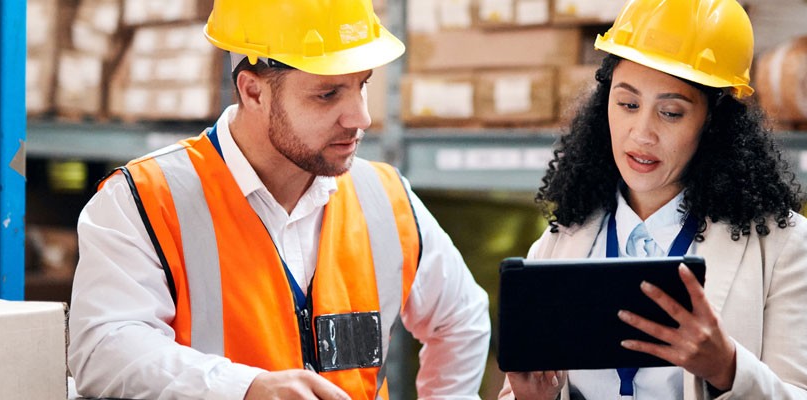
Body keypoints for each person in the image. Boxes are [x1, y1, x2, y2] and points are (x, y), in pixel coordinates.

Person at [66, 1, 491, 399]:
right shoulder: (144, 198)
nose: (360, 117)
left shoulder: (385, 197)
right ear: (253, 92)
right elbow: (103, 348)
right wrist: (247, 389)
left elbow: (462, 317)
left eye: (362, 86)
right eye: (327, 94)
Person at [499, 0, 807, 398]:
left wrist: (728, 368)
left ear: (713, 122)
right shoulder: (557, 245)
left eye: (671, 112)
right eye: (628, 104)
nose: (641, 133)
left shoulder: (784, 246)